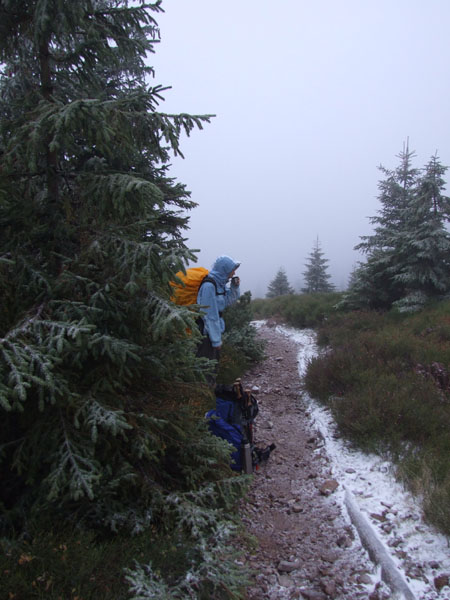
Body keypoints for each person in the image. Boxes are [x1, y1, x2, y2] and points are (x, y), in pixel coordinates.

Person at [196, 255, 241, 384]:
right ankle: (203, 398)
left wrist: (234, 287)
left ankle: (208, 396)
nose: (234, 272)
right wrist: (216, 341)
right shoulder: (209, 286)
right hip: (205, 334)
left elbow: (228, 302)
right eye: (232, 269)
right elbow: (209, 315)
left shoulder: (219, 284)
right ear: (224, 269)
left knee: (212, 367)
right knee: (206, 369)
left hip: (213, 332)